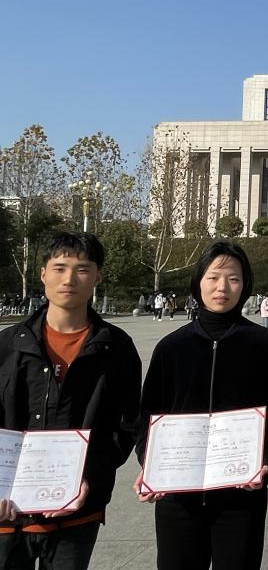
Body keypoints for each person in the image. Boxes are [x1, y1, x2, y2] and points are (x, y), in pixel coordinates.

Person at [134, 241, 268, 570]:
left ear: (245, 284)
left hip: (240, 494)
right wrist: (149, 463)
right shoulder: (171, 347)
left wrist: (262, 457)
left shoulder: (263, 344)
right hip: (178, 495)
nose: (222, 287)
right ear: (198, 282)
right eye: (213, 277)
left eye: (233, 279)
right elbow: (147, 414)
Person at [0, 232, 142, 569]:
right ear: (43, 274)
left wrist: (88, 476)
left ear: (97, 278)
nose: (69, 279)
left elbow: (125, 427)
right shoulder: (7, 346)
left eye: (82, 269)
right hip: (7, 510)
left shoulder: (115, 348)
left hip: (77, 509)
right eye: (60, 268)